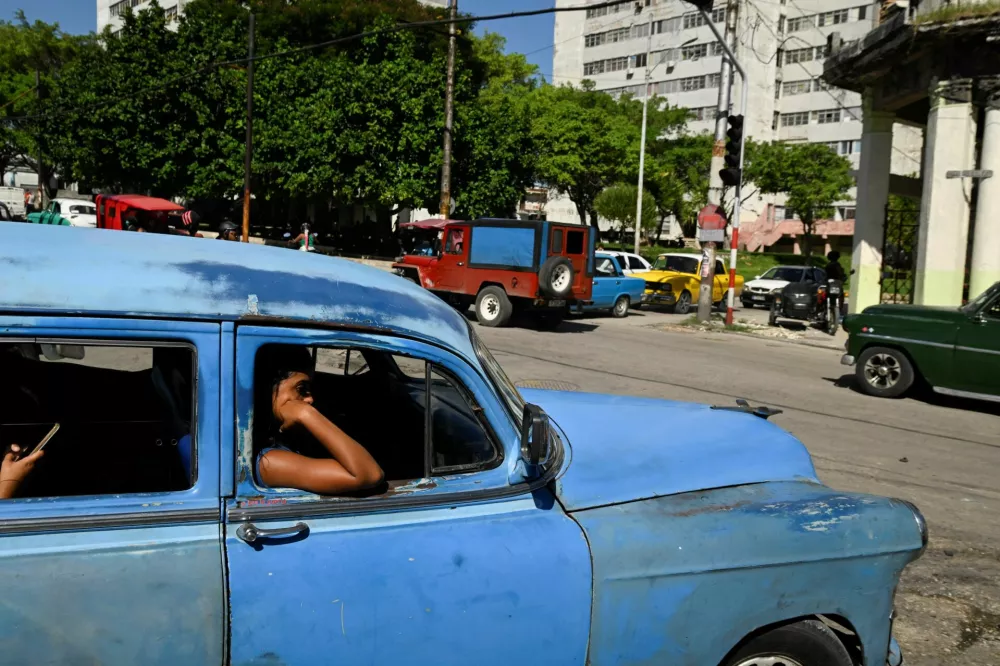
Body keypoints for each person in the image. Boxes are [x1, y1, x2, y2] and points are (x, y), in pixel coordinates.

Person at [255, 347, 383, 495]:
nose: (310, 399)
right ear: (267, 388)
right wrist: (306, 413)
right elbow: (368, 475)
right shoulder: (269, 463)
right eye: (301, 389)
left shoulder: (279, 435)